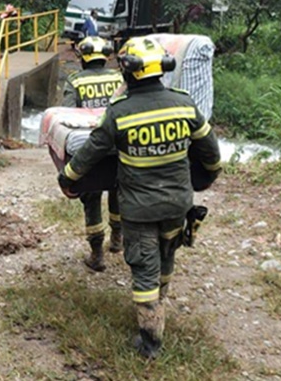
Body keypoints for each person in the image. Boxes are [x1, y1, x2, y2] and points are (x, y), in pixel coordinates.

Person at [57, 36, 221, 358]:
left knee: (144, 267)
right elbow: (212, 156)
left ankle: (150, 343)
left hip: (140, 210)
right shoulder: (185, 103)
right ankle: (160, 307)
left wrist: (68, 178)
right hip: (178, 205)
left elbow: (89, 153)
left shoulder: (120, 112)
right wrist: (203, 180)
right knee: (167, 255)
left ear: (128, 73)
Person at [62, 36, 125, 271]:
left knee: (91, 196)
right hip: (118, 146)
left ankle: (97, 253)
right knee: (117, 189)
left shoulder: (75, 81)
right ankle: (117, 240)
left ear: (82, 58)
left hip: (90, 148)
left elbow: (67, 115)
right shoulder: (119, 77)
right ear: (106, 57)